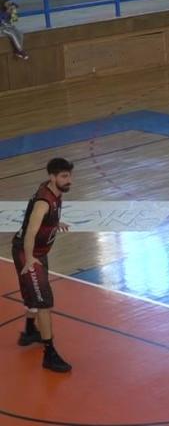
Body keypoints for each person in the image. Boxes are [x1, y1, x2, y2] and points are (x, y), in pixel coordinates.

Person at [12, 158, 74, 373]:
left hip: (37, 252)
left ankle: (30, 331)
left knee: (33, 293)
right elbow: (30, 231)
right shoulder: (44, 202)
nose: (69, 180)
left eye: (69, 175)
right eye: (64, 176)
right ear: (52, 177)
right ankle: (49, 354)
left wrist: (55, 223)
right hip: (28, 253)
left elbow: (42, 219)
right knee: (44, 301)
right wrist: (29, 258)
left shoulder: (53, 191)